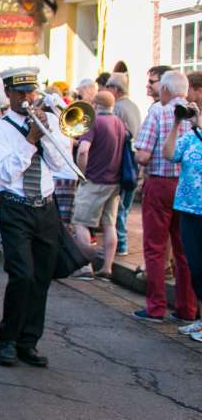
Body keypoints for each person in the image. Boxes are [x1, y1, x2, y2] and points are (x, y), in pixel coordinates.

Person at [0, 67, 70, 368]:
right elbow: (6, 173)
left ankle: (28, 341)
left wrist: (47, 133)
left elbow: (60, 162)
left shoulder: (49, 122)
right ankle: (7, 340)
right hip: (15, 205)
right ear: (8, 94)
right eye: (20, 93)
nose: (27, 99)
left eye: (31, 92)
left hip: (45, 206)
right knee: (22, 275)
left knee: (42, 277)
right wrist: (30, 140)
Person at [133, 70, 198, 323]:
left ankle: (156, 307)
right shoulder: (195, 114)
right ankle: (187, 308)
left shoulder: (158, 112)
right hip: (187, 186)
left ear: (166, 90)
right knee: (184, 250)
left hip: (160, 184)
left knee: (155, 248)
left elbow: (143, 156)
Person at [71, 92, 125, 279]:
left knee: (80, 222)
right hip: (114, 181)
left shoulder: (94, 122)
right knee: (110, 224)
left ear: (95, 104)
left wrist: (81, 173)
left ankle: (86, 266)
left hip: (94, 180)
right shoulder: (119, 122)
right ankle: (107, 267)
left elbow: (84, 150)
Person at [163, 98, 202, 340]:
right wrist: (177, 124)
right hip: (188, 210)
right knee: (196, 267)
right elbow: (169, 154)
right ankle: (200, 320)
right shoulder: (189, 138)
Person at [105, 73, 141, 256]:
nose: (106, 90)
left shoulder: (118, 107)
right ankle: (121, 241)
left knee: (118, 205)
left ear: (116, 89)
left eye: (108, 87)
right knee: (125, 204)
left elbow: (114, 137)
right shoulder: (133, 105)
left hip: (123, 160)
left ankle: (121, 243)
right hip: (133, 160)